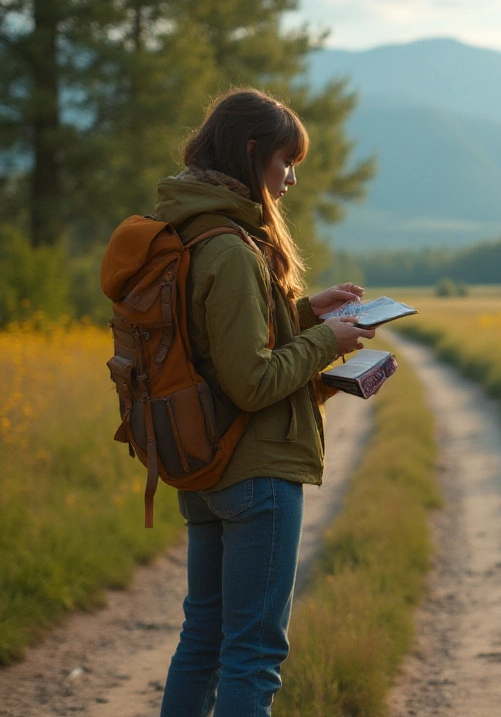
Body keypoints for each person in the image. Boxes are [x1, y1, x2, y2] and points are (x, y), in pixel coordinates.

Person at [154, 88, 375, 716]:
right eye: (285, 162)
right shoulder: (231, 248)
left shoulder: (194, 228)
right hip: (256, 473)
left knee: (202, 641)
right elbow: (251, 379)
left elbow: (222, 345)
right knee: (252, 654)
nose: (291, 180)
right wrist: (324, 342)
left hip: (207, 467)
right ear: (252, 153)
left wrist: (307, 313)